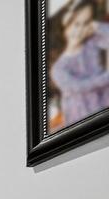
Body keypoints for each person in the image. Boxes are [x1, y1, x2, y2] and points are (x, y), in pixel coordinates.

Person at [51, 0, 109, 129]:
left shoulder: (91, 44)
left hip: (102, 106)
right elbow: (80, 87)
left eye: (85, 23)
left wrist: (97, 26)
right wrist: (106, 78)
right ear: (66, 24)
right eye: (76, 24)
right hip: (80, 117)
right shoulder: (58, 68)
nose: (80, 30)